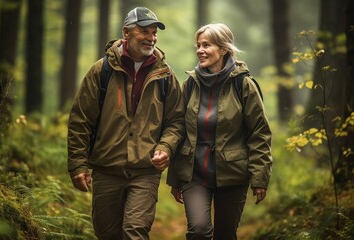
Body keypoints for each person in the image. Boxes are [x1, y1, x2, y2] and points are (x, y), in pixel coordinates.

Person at [67, 7, 184, 240]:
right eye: (144, 31)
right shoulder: (101, 71)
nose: (151, 37)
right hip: (106, 169)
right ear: (126, 32)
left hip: (145, 170)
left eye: (154, 32)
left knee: (134, 231)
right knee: (107, 234)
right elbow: (81, 120)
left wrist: (166, 147)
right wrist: (77, 164)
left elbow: (177, 120)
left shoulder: (165, 75)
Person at [168, 23, 273, 240]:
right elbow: (178, 128)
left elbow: (259, 133)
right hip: (195, 173)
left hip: (233, 174)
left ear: (223, 49)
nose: (200, 50)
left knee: (226, 234)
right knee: (198, 230)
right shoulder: (190, 85)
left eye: (206, 45)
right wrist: (175, 177)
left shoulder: (244, 84)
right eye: (198, 45)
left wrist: (260, 177)